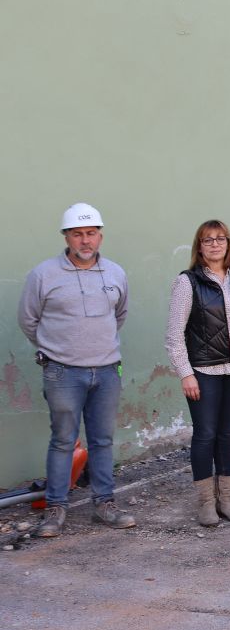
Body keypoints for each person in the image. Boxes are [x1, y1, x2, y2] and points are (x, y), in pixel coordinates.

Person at [19, 203, 135, 539]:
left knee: (102, 440)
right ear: (66, 237)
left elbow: (120, 315)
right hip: (63, 373)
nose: (85, 240)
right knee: (63, 441)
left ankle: (105, 504)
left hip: (107, 371)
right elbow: (29, 320)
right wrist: (54, 350)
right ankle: (55, 509)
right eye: (77, 234)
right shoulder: (44, 275)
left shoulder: (115, 273)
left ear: (100, 236)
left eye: (91, 233)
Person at [166, 220, 230, 526]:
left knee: (228, 434)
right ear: (199, 246)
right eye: (207, 240)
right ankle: (206, 503)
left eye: (220, 239)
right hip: (203, 372)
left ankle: (226, 500)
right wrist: (186, 373)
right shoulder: (187, 283)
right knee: (205, 434)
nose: (215, 244)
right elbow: (174, 334)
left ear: (228, 244)